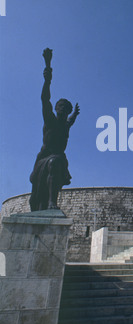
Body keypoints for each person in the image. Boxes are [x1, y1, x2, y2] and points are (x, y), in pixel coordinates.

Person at [29, 48, 80, 211]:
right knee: (53, 163)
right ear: (57, 108)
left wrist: (75, 115)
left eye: (67, 108)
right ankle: (48, 202)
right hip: (44, 157)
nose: (64, 109)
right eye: (61, 106)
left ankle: (52, 202)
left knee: (57, 162)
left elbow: (71, 121)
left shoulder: (65, 125)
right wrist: (48, 75)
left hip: (58, 158)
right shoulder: (50, 120)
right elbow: (45, 99)